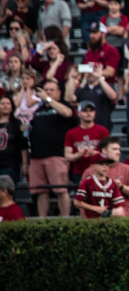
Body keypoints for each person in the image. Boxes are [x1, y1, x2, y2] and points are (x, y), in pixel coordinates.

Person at [27, 78, 75, 217]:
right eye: (46, 90)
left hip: (56, 154)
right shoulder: (39, 110)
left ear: (59, 92)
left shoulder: (63, 105)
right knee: (40, 191)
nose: (48, 92)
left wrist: (47, 99)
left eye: (51, 90)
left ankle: (66, 220)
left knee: (60, 190)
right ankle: (42, 221)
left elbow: (68, 113)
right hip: (37, 156)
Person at [73, 152, 128, 219]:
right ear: (92, 166)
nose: (105, 167)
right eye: (101, 164)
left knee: (120, 211)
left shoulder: (112, 183)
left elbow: (120, 205)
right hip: (92, 218)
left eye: (107, 164)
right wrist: (96, 208)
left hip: (108, 216)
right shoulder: (87, 182)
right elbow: (77, 202)